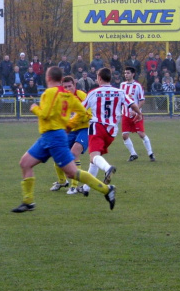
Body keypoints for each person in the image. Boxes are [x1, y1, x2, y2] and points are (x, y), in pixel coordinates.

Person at [12, 66, 116, 213]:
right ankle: (28, 202)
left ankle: (107, 189)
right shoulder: (69, 96)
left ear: (47, 78)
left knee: (72, 172)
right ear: (60, 80)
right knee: (25, 163)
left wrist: (34, 108)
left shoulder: (49, 93)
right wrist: (68, 124)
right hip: (48, 136)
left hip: (54, 137)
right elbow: (85, 113)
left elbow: (45, 114)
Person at [80, 68, 142, 197]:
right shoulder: (120, 92)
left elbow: (80, 108)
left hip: (97, 127)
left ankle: (108, 169)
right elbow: (132, 104)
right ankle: (86, 188)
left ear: (100, 78)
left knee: (94, 157)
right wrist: (139, 113)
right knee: (94, 159)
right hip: (112, 131)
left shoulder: (93, 92)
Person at [49, 76, 91, 195]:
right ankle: (62, 181)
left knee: (73, 153)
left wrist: (75, 120)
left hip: (85, 128)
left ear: (74, 85)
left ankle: (74, 186)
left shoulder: (82, 95)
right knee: (58, 154)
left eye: (70, 86)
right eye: (65, 87)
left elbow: (89, 113)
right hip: (70, 130)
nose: (68, 89)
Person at [121, 67, 156, 162]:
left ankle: (151, 154)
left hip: (137, 115)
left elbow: (142, 100)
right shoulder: (122, 85)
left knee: (141, 134)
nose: (126, 75)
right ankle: (133, 154)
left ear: (133, 74)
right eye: (125, 73)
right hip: (125, 114)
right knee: (124, 136)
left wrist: (136, 110)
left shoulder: (137, 86)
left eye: (128, 73)